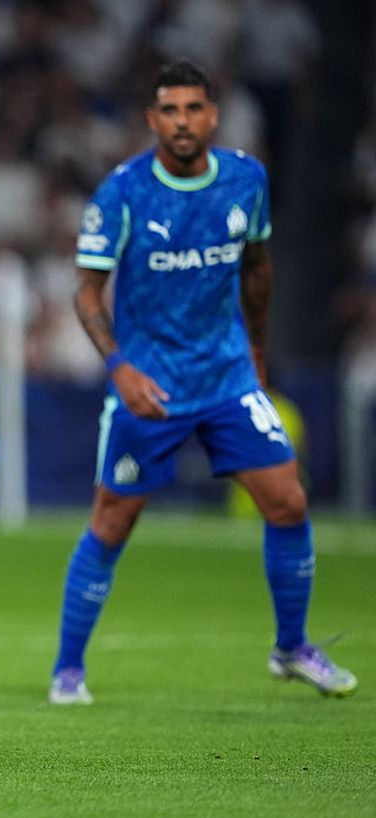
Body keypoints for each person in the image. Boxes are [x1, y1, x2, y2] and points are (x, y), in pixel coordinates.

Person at [49, 58, 357, 705]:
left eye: (194, 109)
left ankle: (291, 647)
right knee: (112, 522)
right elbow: (85, 292)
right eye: (170, 110)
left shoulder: (246, 180)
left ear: (213, 115)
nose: (183, 121)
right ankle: (68, 670)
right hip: (149, 385)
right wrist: (119, 366)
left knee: (289, 501)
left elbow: (257, 269)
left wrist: (258, 351)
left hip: (227, 376)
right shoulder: (125, 192)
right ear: (152, 119)